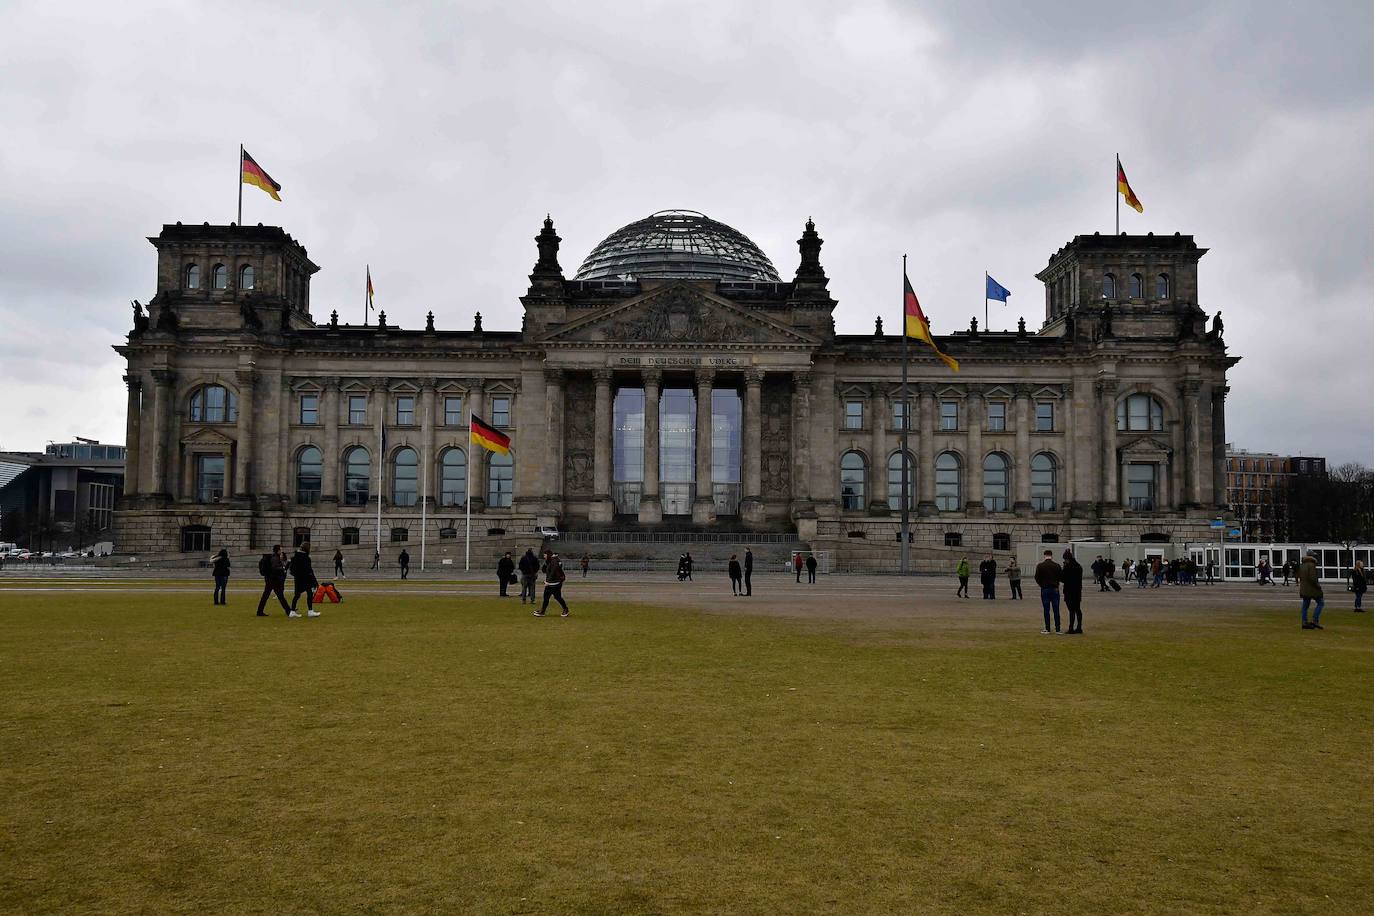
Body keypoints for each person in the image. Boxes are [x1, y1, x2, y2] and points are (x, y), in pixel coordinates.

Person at [256, 545, 291, 617]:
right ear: (278, 550)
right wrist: (283, 568)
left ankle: (260, 611)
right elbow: (275, 568)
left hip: (270, 579)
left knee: (268, 596)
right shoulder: (275, 558)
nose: (281, 551)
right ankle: (288, 611)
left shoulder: (274, 557)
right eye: (280, 550)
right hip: (273, 580)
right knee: (279, 596)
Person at [288, 543, 321, 617]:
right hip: (306, 579)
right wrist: (314, 581)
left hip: (298, 578)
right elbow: (309, 570)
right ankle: (310, 611)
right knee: (309, 594)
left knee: (297, 595)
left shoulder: (295, 557)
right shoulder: (306, 558)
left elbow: (292, 569)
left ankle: (292, 611)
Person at [1034, 549, 1062, 634]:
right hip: (1055, 589)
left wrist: (1041, 585)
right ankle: (1058, 629)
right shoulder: (1057, 565)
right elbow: (1061, 577)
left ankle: (1047, 628)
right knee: (1056, 609)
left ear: (1044, 555)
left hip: (1045, 589)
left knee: (1046, 609)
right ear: (1051, 555)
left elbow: (1036, 577)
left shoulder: (1040, 566)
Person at [535, 551, 570, 617]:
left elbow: (553, 572)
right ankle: (542, 611)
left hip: (555, 584)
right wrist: (545, 563)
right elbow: (544, 571)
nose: (544, 556)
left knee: (557, 597)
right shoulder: (549, 562)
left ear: (548, 555)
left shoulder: (554, 562)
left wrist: (548, 581)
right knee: (546, 598)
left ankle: (565, 609)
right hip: (550, 583)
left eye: (545, 555)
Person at [1297, 552, 1324, 630]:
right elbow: (1313, 578)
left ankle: (1304, 622)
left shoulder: (1302, 565)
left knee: (1305, 606)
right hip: (1312, 589)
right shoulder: (1311, 565)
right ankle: (1315, 620)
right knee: (1321, 603)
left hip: (1304, 588)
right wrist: (1318, 586)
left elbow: (1300, 576)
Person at [1062, 549, 1084, 635]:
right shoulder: (1078, 566)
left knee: (1071, 610)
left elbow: (1063, 578)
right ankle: (1079, 627)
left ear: (1067, 559)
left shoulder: (1067, 567)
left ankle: (1071, 628)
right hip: (1077, 591)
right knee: (1077, 609)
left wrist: (1063, 568)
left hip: (1069, 591)